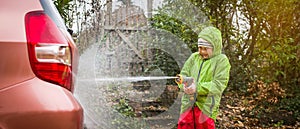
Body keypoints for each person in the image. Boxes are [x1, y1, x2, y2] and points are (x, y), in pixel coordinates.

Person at [177, 26, 231, 129]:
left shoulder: (221, 61)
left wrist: (197, 88)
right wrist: (182, 84)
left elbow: (218, 84)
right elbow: (184, 74)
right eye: (200, 48)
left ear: (214, 47)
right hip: (188, 106)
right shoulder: (194, 57)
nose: (202, 51)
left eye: (205, 49)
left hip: (206, 109)